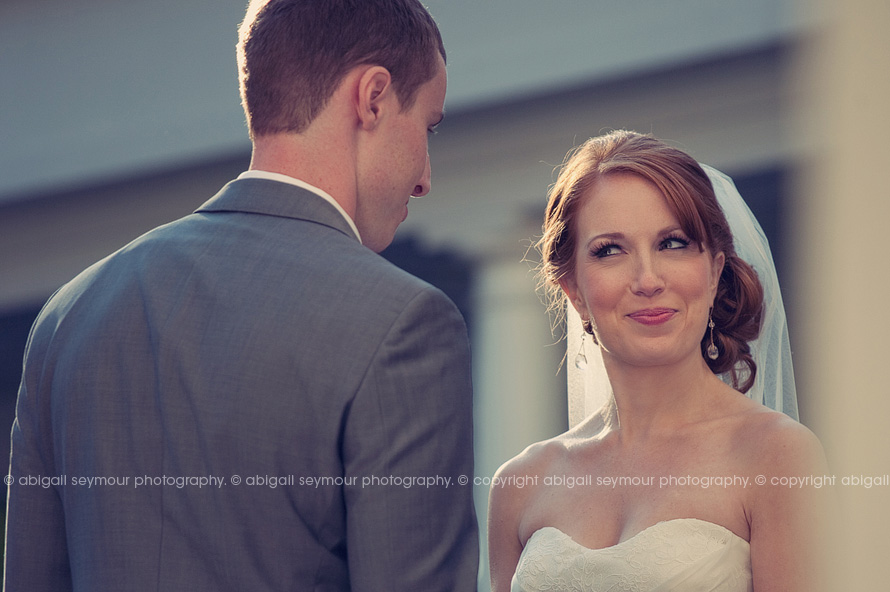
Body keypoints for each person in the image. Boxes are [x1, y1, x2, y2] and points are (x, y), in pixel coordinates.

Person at [5, 1, 478, 590]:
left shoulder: (66, 319)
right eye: (428, 128)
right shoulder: (405, 325)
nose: (426, 176)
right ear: (373, 97)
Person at [488, 131, 828, 591]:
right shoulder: (519, 485)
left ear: (713, 271)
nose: (647, 280)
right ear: (574, 292)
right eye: (610, 250)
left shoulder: (776, 455)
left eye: (673, 243)